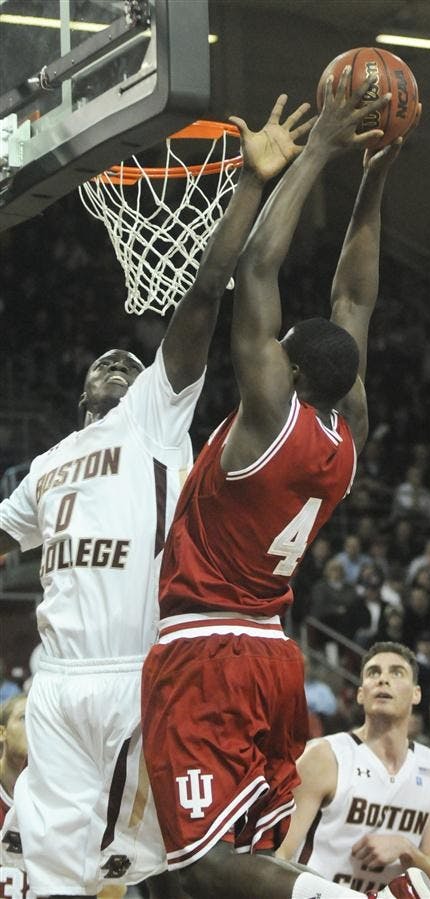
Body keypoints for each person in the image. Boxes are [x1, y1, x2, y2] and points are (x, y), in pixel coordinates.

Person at [0, 94, 314, 899]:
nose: (116, 361)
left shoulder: (152, 418)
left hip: (142, 671)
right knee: (46, 875)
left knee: (177, 865)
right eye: (102, 363)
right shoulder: (46, 464)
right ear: (80, 396)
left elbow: (206, 291)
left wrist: (248, 187)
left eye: (128, 361)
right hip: (57, 680)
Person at [141, 69, 427, 899]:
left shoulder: (268, 421)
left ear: (290, 367)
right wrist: (375, 175)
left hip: (208, 649)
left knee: (200, 867)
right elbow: (356, 296)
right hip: (272, 653)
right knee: (203, 863)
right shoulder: (348, 432)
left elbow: (258, 270)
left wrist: (323, 149)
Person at [276, 642, 430, 896]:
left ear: (416, 694)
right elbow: (278, 858)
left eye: (396, 672)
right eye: (373, 673)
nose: (383, 679)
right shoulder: (324, 756)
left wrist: (406, 849)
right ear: (361, 693)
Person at [0, 693, 33, 899]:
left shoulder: (60, 792)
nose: (33, 725)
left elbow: (113, 890)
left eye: (38, 718)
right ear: (2, 733)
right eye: (23, 718)